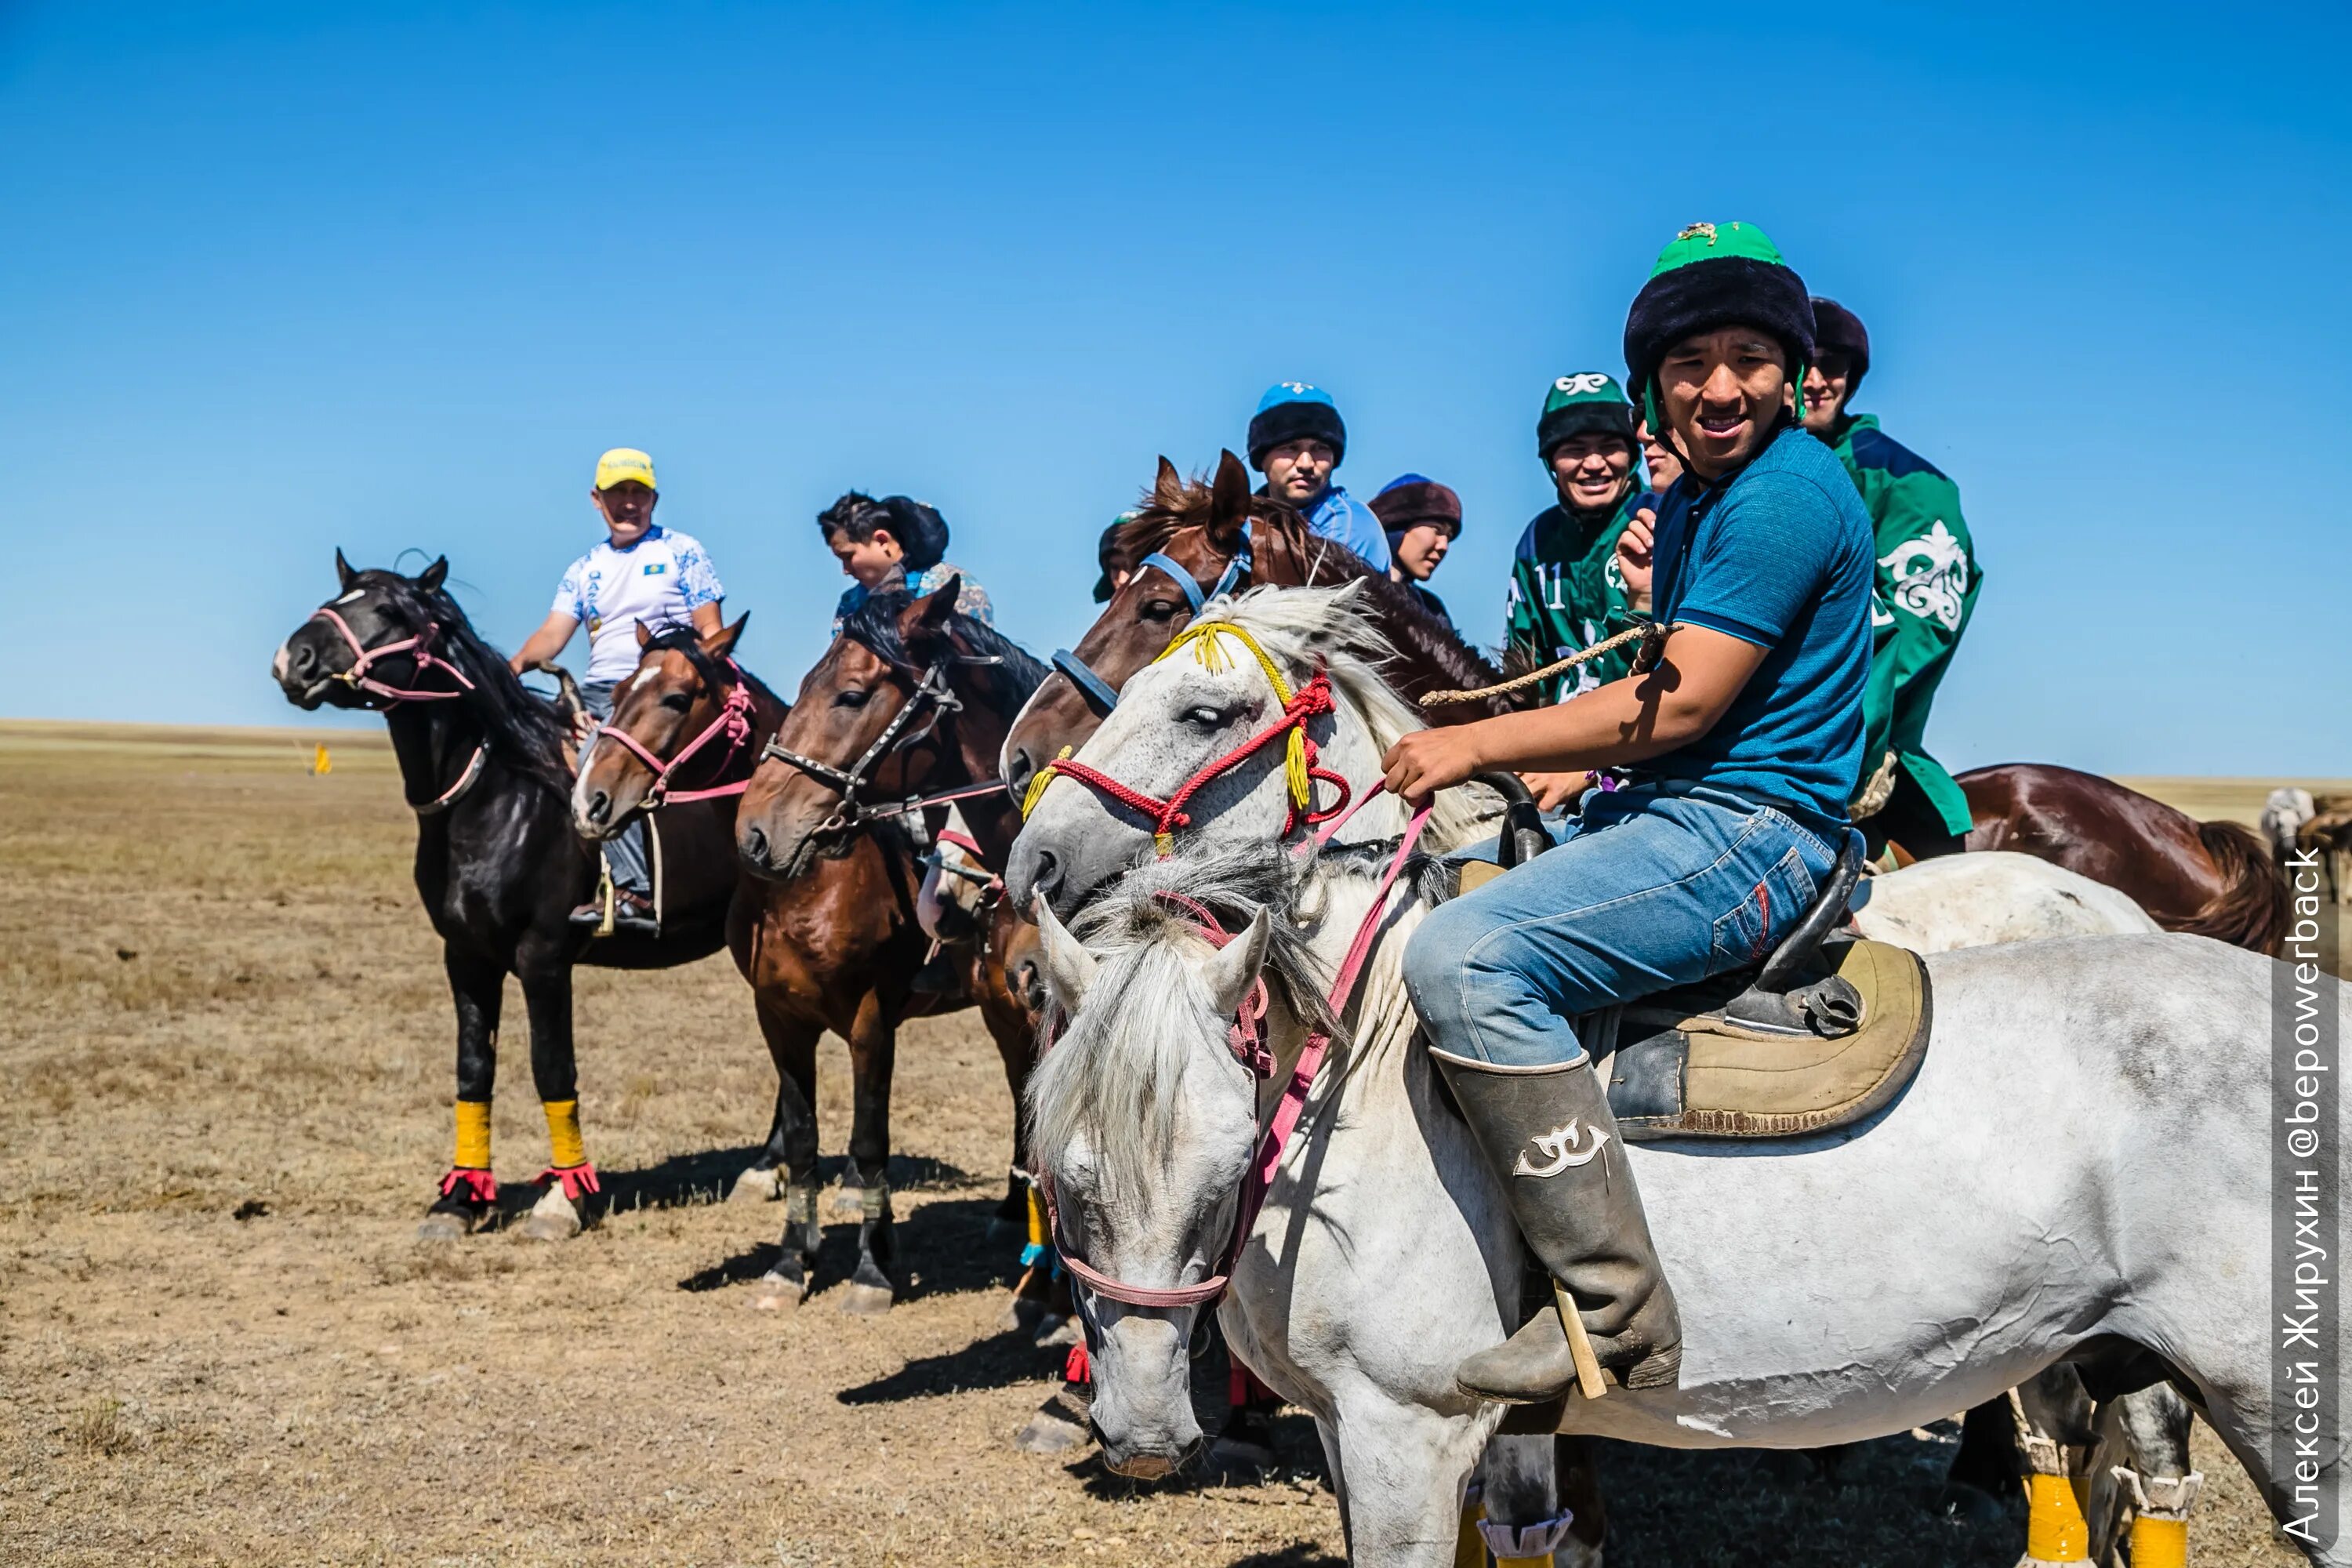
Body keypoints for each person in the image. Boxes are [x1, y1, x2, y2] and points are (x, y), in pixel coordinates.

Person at [1383, 222, 1873, 1403]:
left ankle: (1613, 1310)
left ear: (1794, 371)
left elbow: (1681, 703)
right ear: (1654, 380)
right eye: (1690, 362)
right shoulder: (1706, 498)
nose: (1719, 386)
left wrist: (1472, 742)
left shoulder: (1784, 495)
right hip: (1685, 805)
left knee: (1463, 957)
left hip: (1749, 830)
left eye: (1750, 356)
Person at [510, 448, 727, 932]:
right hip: (597, 691)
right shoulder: (583, 568)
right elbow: (553, 633)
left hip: (656, 694)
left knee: (597, 759)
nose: (629, 503)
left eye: (639, 492)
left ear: (654, 497)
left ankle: (637, 892)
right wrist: (515, 664)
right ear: (596, 499)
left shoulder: (681, 552)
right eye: (617, 493)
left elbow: (710, 629)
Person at [1802, 297, 1981, 858]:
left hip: (1855, 753)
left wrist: (1830, 734)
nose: (1816, 380)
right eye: (1803, 361)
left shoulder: (1908, 482)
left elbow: (1920, 632)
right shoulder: (1755, 471)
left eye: (1834, 366)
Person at [1246, 383, 1392, 571]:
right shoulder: (1241, 521)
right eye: (1290, 447)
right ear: (1262, 458)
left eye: (1319, 448)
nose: (1306, 464)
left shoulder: (1351, 526)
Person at [822, 492, 993, 633]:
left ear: (882, 540)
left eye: (848, 556)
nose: (845, 570)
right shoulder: (851, 604)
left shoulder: (953, 587)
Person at [1369, 474, 1461, 626]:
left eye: (1449, 537)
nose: (1444, 546)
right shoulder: (1354, 589)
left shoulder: (1433, 611)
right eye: (1437, 530)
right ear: (1397, 527)